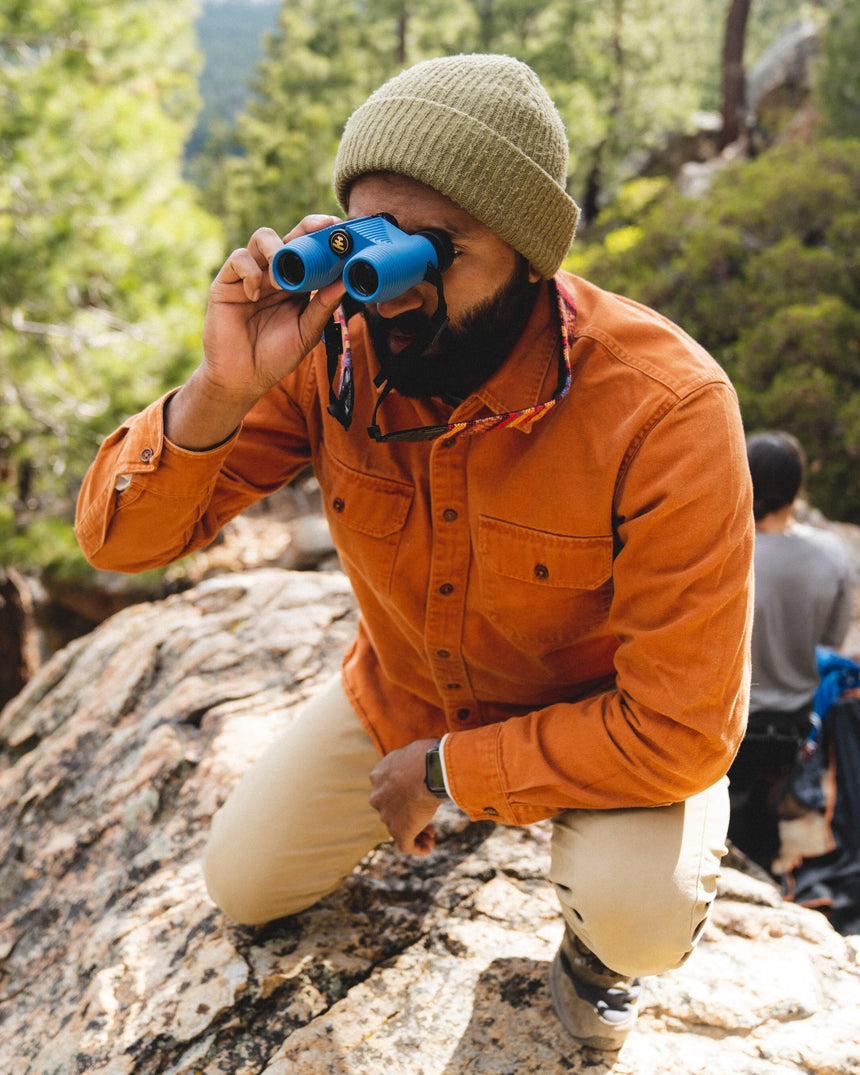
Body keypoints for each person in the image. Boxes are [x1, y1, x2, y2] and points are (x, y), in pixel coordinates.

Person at [75, 54, 754, 1052]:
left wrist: (445, 771)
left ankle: (594, 949)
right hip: (409, 688)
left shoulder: (664, 408)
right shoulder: (331, 354)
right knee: (245, 884)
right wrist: (220, 389)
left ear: (528, 254)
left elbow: (678, 730)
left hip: (604, 721)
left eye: (435, 251)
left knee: (636, 915)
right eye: (371, 247)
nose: (392, 296)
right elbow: (118, 542)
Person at [728, 431, 852, 874]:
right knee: (761, 813)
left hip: (732, 720)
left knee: (729, 819)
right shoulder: (833, 554)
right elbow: (833, 641)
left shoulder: (727, 551)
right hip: (794, 724)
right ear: (797, 488)